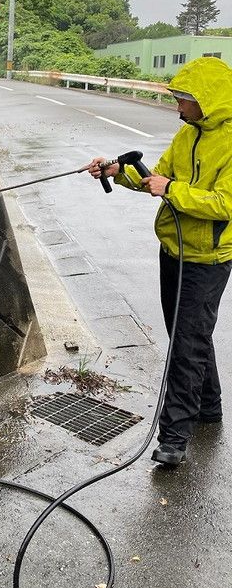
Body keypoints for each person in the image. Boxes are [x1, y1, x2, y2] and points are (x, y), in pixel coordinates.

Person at [88, 56, 232, 466]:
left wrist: (172, 189)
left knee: (187, 345)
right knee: (187, 335)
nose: (179, 107)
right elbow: (155, 176)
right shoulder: (188, 136)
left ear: (207, 100)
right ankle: (210, 406)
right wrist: (116, 171)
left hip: (208, 259)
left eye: (184, 99)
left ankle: (174, 438)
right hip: (174, 250)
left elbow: (224, 204)